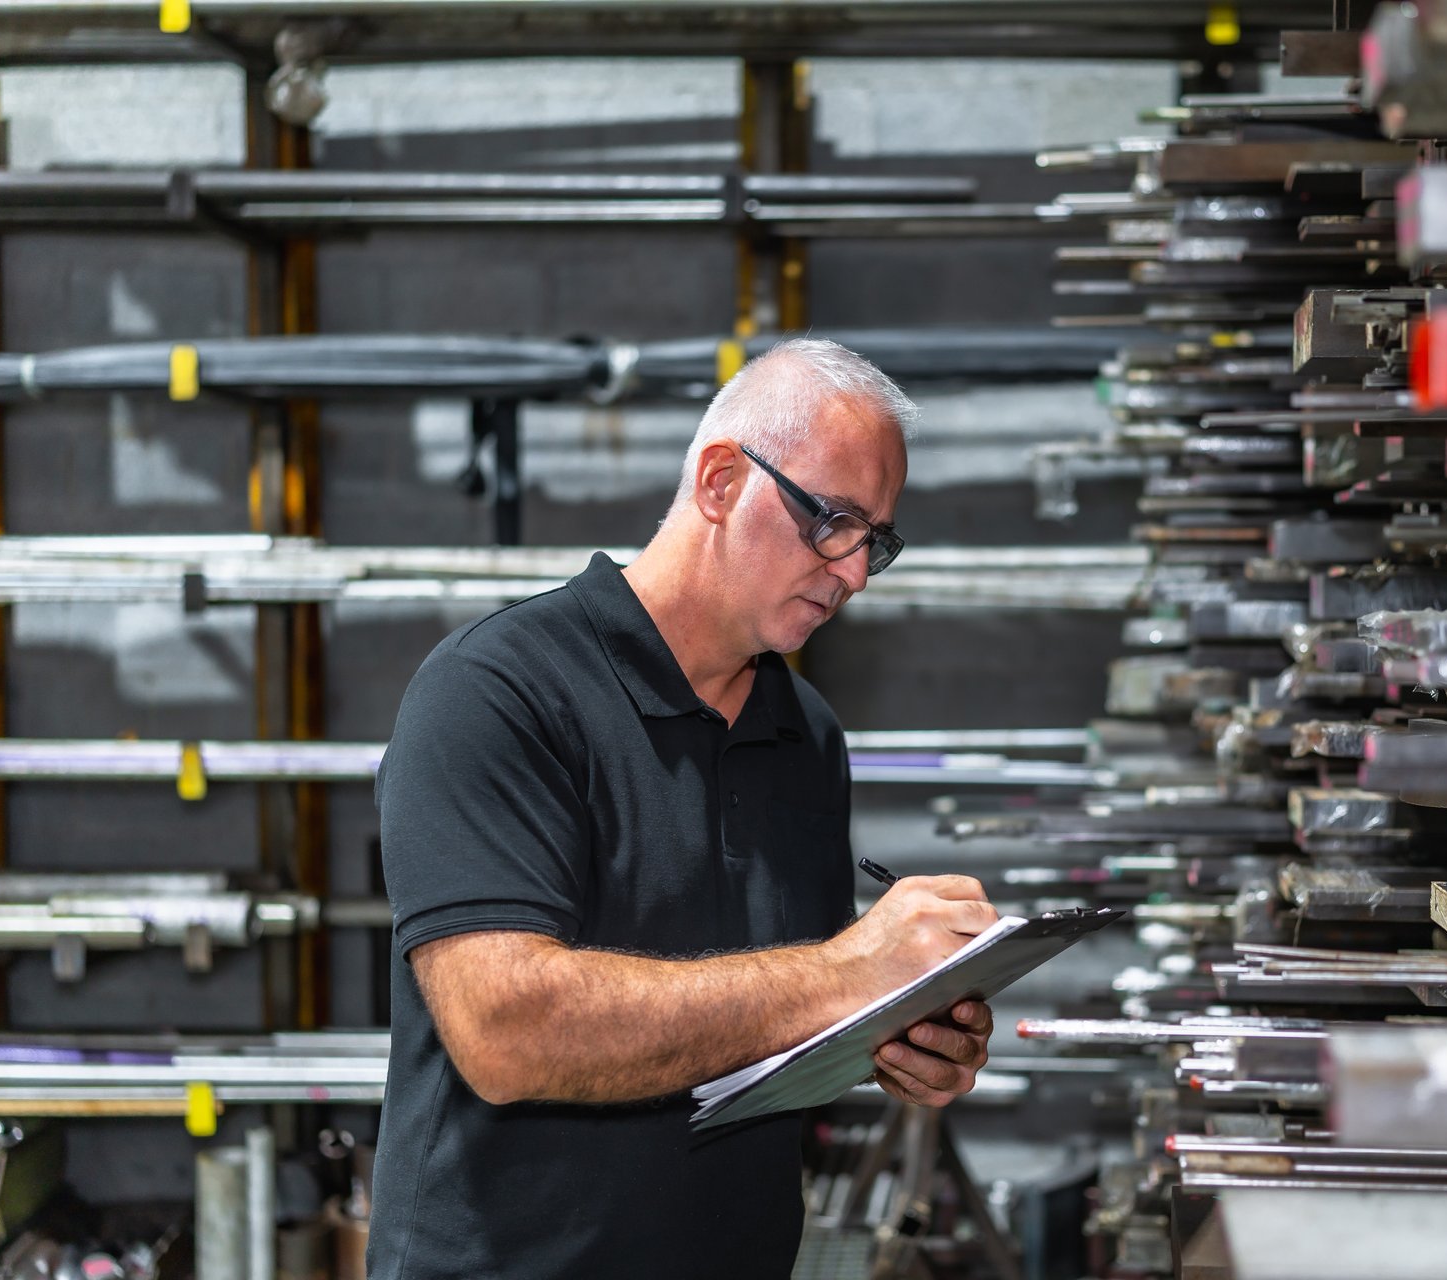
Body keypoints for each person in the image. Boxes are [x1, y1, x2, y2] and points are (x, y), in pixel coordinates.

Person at [367, 339, 998, 1280]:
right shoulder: (498, 691)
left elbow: (772, 1016)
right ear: (718, 481)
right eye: (833, 523)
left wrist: (893, 1034)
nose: (855, 574)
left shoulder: (805, 734)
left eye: (876, 541)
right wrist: (842, 974)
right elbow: (505, 1032)